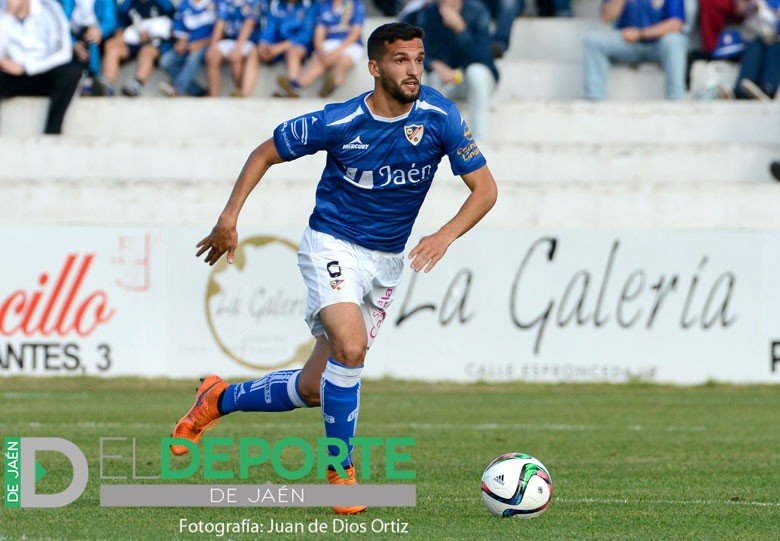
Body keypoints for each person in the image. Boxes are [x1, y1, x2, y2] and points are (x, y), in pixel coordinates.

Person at [171, 22, 497, 515]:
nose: (413, 70)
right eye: (401, 60)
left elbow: (486, 189)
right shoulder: (340, 121)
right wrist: (229, 216)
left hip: (386, 262)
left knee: (315, 388)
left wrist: (444, 234)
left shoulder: (440, 114)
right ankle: (338, 470)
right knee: (352, 345)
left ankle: (217, 399)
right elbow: (264, 152)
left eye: (418, 59)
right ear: (374, 67)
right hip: (332, 244)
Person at [415, 0, 499, 142]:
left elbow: (484, 59)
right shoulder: (428, 15)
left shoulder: (477, 11)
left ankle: (477, 141)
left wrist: (460, 30)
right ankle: (430, 140)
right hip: (443, 81)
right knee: (423, 76)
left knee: (476, 73)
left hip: (473, 81)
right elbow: (420, 53)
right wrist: (435, 64)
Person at [0, 0, 83, 134]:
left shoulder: (49, 8)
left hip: (42, 72)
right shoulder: (3, 12)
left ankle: (52, 132)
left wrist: (26, 67)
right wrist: (7, 16)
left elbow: (63, 52)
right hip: (11, 75)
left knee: (70, 73)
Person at [583, 0, 689, 100]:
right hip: (627, 43)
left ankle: (676, 98)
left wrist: (641, 34)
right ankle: (595, 97)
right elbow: (606, 17)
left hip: (657, 44)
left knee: (674, 41)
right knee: (593, 41)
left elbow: (675, 24)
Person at [276, 0, 365, 98]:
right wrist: (320, 49)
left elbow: (355, 33)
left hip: (350, 45)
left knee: (344, 61)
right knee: (318, 61)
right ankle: (295, 87)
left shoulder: (355, 4)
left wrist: (336, 53)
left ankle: (332, 85)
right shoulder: (324, 5)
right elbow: (319, 32)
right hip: (330, 43)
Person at [99, 0, 176, 96]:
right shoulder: (128, 4)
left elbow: (174, 27)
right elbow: (120, 26)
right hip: (132, 42)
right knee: (111, 45)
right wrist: (119, 38)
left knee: (147, 51)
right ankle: (107, 83)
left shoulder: (164, 4)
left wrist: (153, 34)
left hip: (155, 43)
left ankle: (137, 83)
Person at [256, 0, 317, 97]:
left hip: (300, 46)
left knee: (293, 52)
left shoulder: (309, 5)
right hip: (277, 46)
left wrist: (281, 47)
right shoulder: (275, 5)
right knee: (255, 52)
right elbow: (269, 28)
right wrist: (263, 44)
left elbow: (306, 35)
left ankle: (293, 88)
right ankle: (244, 95)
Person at [157, 0, 216, 96]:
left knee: (194, 56)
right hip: (189, 44)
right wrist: (181, 41)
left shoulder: (216, 3)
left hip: (211, 44)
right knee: (166, 61)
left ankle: (176, 89)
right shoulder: (185, 4)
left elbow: (222, 29)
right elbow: (179, 27)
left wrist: (202, 43)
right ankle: (198, 92)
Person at [204, 0, 262, 97]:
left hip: (249, 40)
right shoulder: (226, 2)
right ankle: (214, 97)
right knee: (211, 55)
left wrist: (238, 48)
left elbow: (249, 23)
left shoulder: (254, 2)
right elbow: (220, 23)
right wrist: (213, 46)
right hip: (230, 40)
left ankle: (241, 93)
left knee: (236, 58)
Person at [61, 0, 118, 95]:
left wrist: (100, 31)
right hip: (72, 37)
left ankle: (93, 79)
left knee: (91, 38)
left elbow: (111, 21)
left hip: (97, 37)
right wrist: (72, 43)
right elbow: (61, 22)